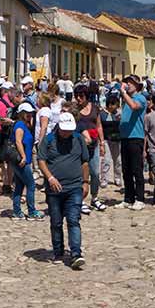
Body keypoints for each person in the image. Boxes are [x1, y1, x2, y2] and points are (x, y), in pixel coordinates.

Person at [37, 112, 90, 269]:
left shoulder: (78, 139)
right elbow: (41, 160)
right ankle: (58, 251)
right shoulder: (49, 140)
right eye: (64, 130)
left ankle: (76, 253)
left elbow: (85, 162)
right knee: (56, 221)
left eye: (69, 130)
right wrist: (50, 177)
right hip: (54, 189)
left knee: (73, 219)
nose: (67, 133)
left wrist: (85, 182)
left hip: (74, 187)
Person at [74, 85, 107, 213]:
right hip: (80, 147)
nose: (78, 98)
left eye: (81, 96)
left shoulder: (94, 108)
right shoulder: (75, 110)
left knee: (95, 173)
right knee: (80, 174)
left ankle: (94, 197)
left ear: (87, 96)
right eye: (76, 96)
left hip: (93, 145)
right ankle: (81, 199)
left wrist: (102, 142)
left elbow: (99, 126)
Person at [118, 74, 148, 210]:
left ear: (137, 85)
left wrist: (123, 93)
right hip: (125, 137)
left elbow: (134, 107)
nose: (128, 84)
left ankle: (140, 198)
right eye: (126, 82)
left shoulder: (140, 98)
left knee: (137, 169)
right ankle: (128, 198)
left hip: (136, 137)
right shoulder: (126, 100)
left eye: (130, 83)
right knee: (126, 170)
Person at [10, 103, 44, 221]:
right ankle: (31, 211)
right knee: (31, 185)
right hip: (22, 161)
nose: (29, 115)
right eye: (27, 113)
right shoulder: (20, 125)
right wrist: (24, 156)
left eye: (31, 113)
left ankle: (17, 211)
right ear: (21, 114)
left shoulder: (25, 125)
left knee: (19, 186)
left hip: (21, 161)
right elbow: (18, 142)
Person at [100, 94, 123, 188]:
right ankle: (104, 179)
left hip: (117, 140)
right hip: (106, 140)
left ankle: (117, 178)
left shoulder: (118, 114)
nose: (116, 107)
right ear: (109, 105)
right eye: (115, 104)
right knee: (106, 160)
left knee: (118, 160)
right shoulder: (102, 114)